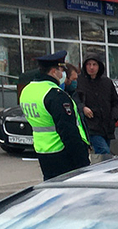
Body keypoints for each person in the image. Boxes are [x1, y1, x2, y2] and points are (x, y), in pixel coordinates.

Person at [20, 50, 91, 180]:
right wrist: (82, 161)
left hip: (43, 151)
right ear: (53, 72)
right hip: (63, 152)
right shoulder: (55, 94)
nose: (63, 74)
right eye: (61, 70)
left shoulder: (27, 90)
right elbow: (68, 131)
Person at [77, 52, 118, 161]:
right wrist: (83, 108)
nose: (91, 67)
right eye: (89, 64)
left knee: (101, 156)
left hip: (107, 125)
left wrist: (114, 117)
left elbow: (115, 101)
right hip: (91, 126)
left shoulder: (106, 82)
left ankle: (102, 174)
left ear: (99, 66)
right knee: (104, 152)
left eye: (94, 64)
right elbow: (75, 99)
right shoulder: (80, 81)